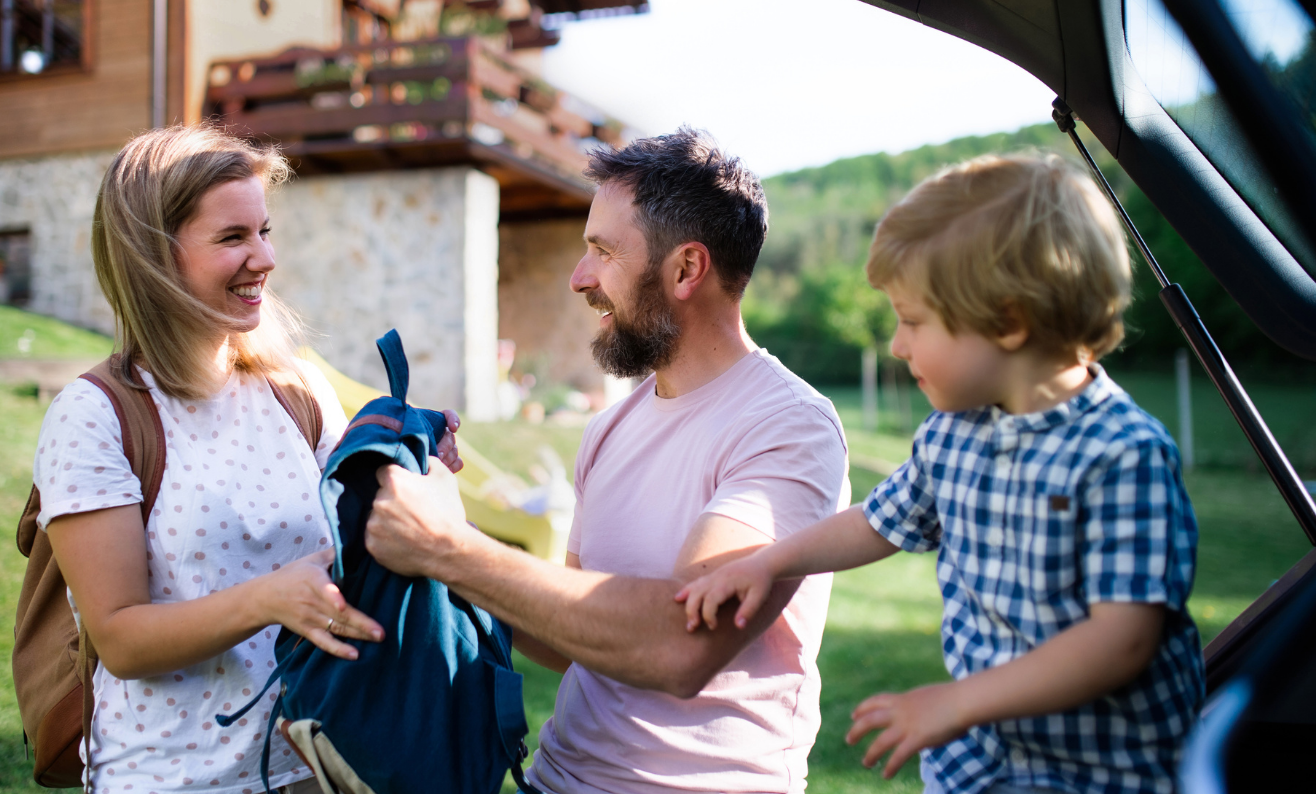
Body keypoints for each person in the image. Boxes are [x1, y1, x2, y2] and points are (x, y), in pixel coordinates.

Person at [678, 154, 1204, 794]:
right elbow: (875, 524)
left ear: (1008, 321)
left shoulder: (1123, 455)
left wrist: (956, 704)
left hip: (1102, 773)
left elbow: (1122, 642)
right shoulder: (953, 434)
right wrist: (768, 561)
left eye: (913, 321)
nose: (897, 345)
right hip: (980, 767)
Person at [366, 128, 851, 793]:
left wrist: (451, 549)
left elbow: (682, 645)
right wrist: (443, 522)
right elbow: (573, 639)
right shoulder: (611, 428)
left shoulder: (788, 427)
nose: (579, 277)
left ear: (686, 269)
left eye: (601, 251)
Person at [35, 125, 460, 794]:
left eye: (264, 232)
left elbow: (359, 552)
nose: (263, 259)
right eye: (233, 238)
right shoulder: (96, 416)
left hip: (314, 765)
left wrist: (408, 462)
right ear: (152, 256)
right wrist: (269, 599)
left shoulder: (297, 391)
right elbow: (120, 638)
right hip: (169, 779)